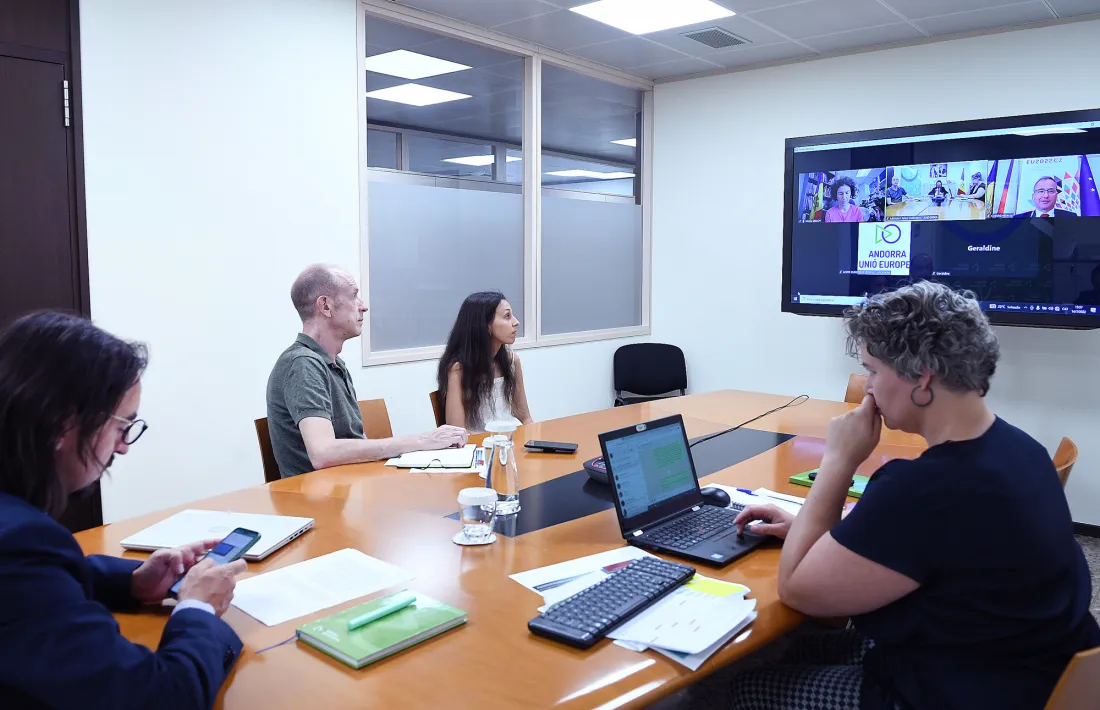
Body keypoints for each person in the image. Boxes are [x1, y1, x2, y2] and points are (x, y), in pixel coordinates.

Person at [727, 281, 1099, 710]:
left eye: (872, 371)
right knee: (805, 647)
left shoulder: (921, 489)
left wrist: (838, 461)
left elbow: (796, 590)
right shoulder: (1023, 450)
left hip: (963, 692)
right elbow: (936, 546)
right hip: (1031, 669)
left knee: (746, 685)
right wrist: (807, 533)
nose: (867, 388)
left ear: (921, 374)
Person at [0, 312, 247, 709]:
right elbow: (161, 697)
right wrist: (196, 609)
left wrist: (132, 583)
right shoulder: (19, 545)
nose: (124, 446)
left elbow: (34, 592)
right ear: (63, 424)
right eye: (121, 426)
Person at [266, 265, 466, 478]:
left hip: (350, 488)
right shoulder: (302, 364)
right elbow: (323, 453)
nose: (363, 307)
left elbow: (353, 442)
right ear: (325, 306)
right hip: (320, 500)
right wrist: (421, 441)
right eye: (354, 297)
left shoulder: (334, 364)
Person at [437, 291, 533, 433]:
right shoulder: (458, 369)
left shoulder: (512, 361)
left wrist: (534, 443)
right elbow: (457, 431)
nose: (516, 322)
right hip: (478, 448)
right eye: (507, 316)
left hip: (510, 443)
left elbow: (525, 417)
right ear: (486, 325)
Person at [1014, 176, 1079, 218]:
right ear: (1033, 196)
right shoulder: (1018, 219)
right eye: (1041, 191)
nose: (1046, 196)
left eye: (1050, 191)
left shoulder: (1071, 217)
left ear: (1056, 195)